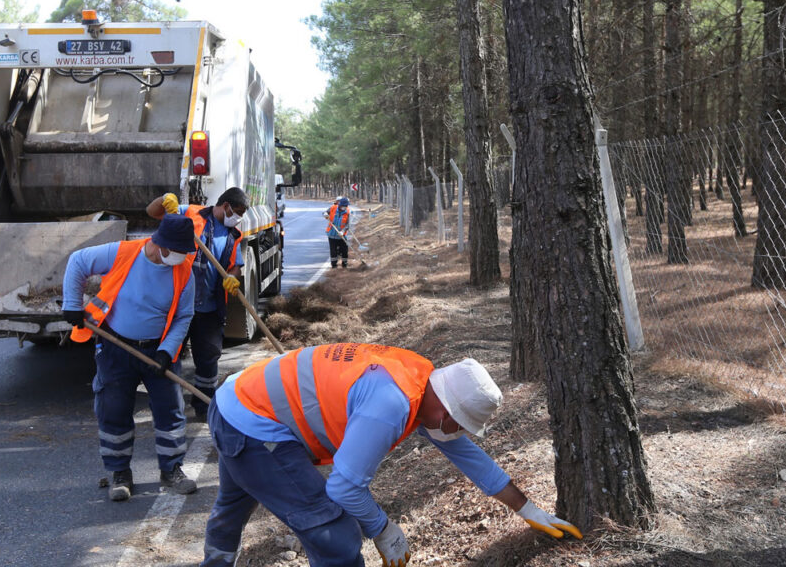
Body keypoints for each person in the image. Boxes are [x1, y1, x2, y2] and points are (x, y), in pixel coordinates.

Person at [199, 343, 582, 567]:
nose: (460, 434)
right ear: (446, 412)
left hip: (238, 398)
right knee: (337, 535)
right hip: (253, 426)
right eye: (461, 425)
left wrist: (526, 509)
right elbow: (345, 489)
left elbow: (466, 455)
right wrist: (384, 530)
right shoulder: (391, 405)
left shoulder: (419, 379)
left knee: (233, 505)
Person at [62, 214, 199, 502]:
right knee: (113, 409)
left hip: (158, 350)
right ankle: (119, 473)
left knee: (170, 411)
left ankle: (172, 469)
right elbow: (77, 261)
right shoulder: (122, 253)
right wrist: (72, 304)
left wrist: (167, 351)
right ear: (160, 244)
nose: (182, 257)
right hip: (116, 348)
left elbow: (184, 316)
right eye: (178, 252)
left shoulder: (184, 271)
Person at [146, 188, 247, 420]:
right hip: (177, 305)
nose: (237, 216)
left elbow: (235, 265)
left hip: (209, 308)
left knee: (208, 358)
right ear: (225, 205)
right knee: (168, 355)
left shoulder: (233, 234)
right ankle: (166, 406)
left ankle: (204, 406)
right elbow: (152, 212)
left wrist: (233, 277)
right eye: (237, 211)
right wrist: (164, 200)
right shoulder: (187, 213)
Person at [324, 196, 351, 269]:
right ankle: (334, 266)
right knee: (333, 251)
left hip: (341, 236)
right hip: (332, 234)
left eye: (346, 206)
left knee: (344, 250)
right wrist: (325, 214)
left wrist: (342, 231)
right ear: (340, 205)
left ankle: (344, 264)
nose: (345, 207)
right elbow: (326, 212)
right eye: (343, 206)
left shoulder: (347, 212)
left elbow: (347, 225)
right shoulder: (333, 208)